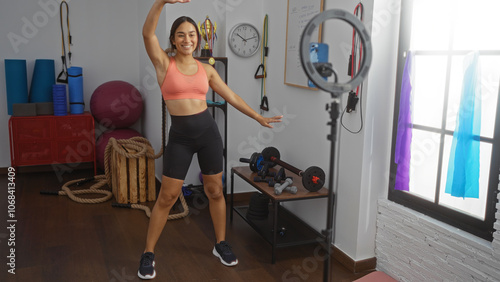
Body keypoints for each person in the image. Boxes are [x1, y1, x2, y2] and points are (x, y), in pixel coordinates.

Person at [139, 0, 282, 279]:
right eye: (181, 34)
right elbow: (147, 34)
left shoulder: (207, 69)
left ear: (199, 39)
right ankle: (148, 253)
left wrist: (258, 117)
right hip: (180, 137)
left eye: (192, 34)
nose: (187, 39)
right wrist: (161, 2)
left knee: (215, 190)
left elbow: (232, 97)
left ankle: (220, 244)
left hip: (208, 134)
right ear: (173, 39)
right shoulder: (162, 63)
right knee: (167, 196)